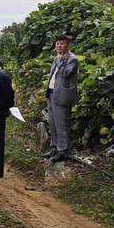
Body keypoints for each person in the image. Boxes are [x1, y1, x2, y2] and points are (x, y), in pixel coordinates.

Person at [40, 35, 79, 163]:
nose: (59, 46)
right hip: (52, 94)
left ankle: (63, 151)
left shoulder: (72, 59)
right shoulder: (57, 58)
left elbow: (66, 73)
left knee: (62, 123)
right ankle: (53, 148)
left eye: (62, 44)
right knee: (52, 123)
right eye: (57, 44)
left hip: (62, 96)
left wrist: (60, 60)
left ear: (68, 45)